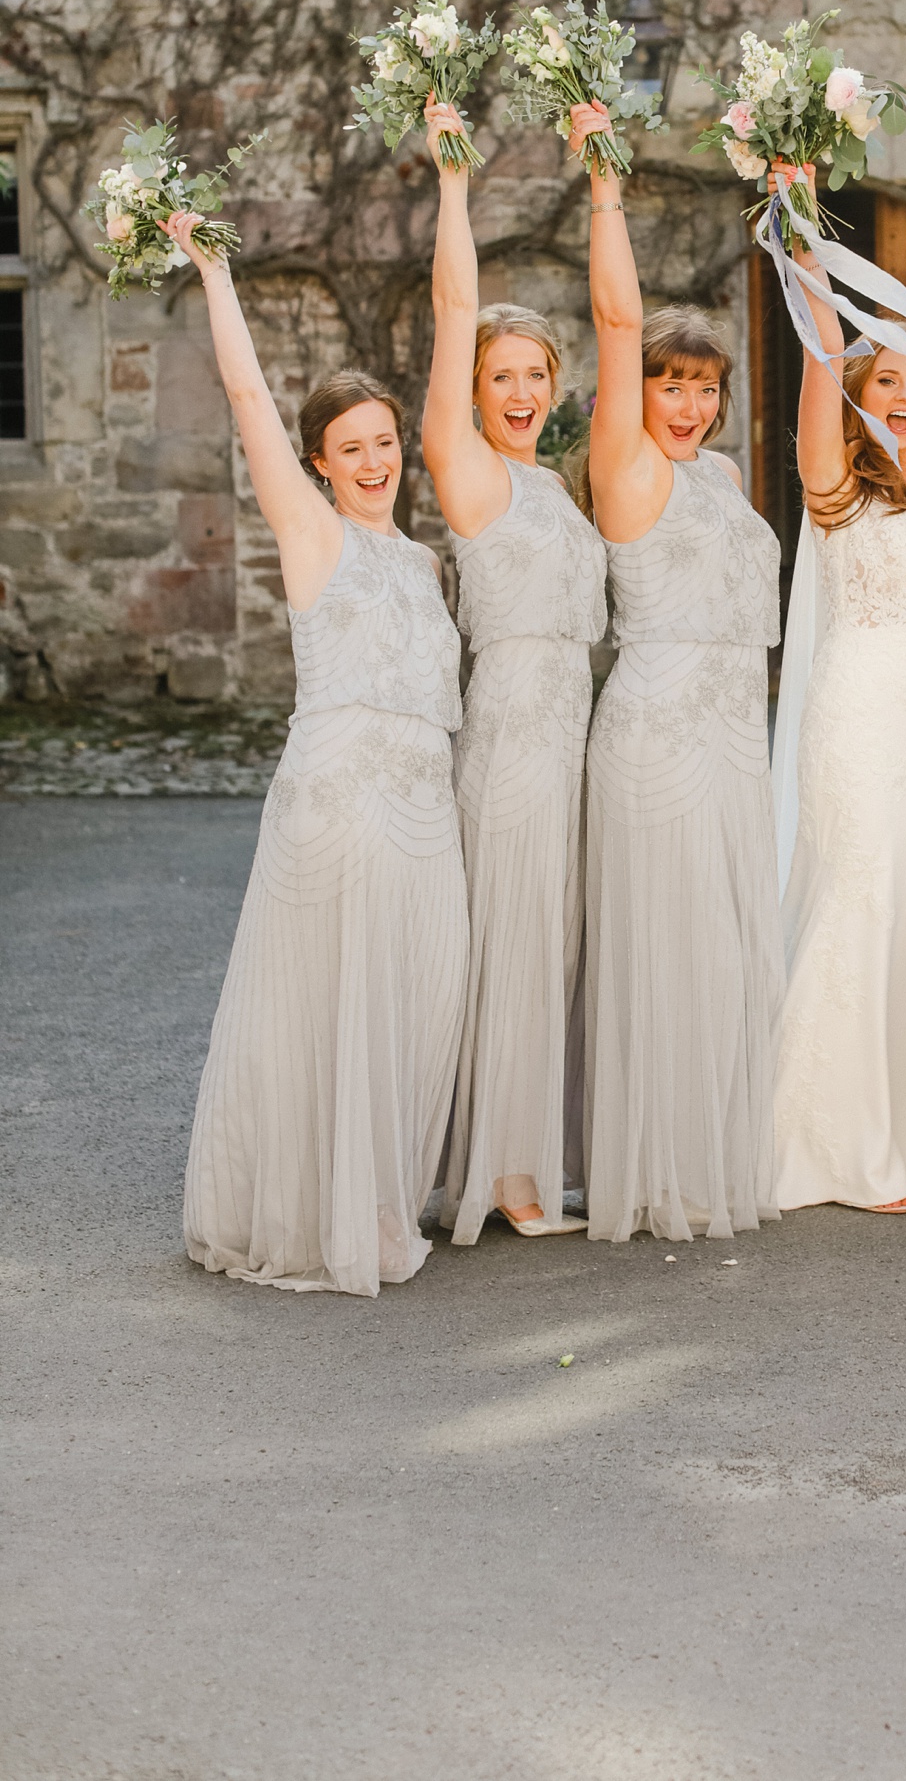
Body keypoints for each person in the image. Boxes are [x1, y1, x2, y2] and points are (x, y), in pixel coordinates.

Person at [173, 213, 469, 1295]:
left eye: (384, 443)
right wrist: (215, 271)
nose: (376, 461)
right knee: (333, 1001)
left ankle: (383, 1195)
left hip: (423, 809)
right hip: (338, 802)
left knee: (415, 995)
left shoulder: (427, 560)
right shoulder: (314, 535)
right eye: (352, 449)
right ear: (319, 464)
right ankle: (328, 1216)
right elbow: (249, 398)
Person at [569, 98, 782, 1243]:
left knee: (721, 944)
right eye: (670, 386)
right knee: (664, 942)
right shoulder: (630, 467)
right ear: (637, 397)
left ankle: (715, 1146)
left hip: (729, 734)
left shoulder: (726, 477)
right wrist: (604, 180)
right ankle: (657, 1168)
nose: (690, 405)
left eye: (704, 388)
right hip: (654, 727)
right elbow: (613, 319)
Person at [771, 169, 906, 1215]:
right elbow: (818, 367)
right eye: (882, 381)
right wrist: (802, 232)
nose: (901, 397)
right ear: (857, 392)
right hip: (857, 719)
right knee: (861, 901)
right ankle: (840, 1148)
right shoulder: (836, 484)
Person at [422, 100, 607, 1243]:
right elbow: (450, 311)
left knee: (551, 943)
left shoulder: (555, 485)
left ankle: (523, 1158)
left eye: (536, 371)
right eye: (500, 375)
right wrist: (453, 178)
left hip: (570, 732)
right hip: (514, 735)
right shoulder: (474, 477)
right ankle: (506, 1179)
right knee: (514, 942)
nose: (521, 389)